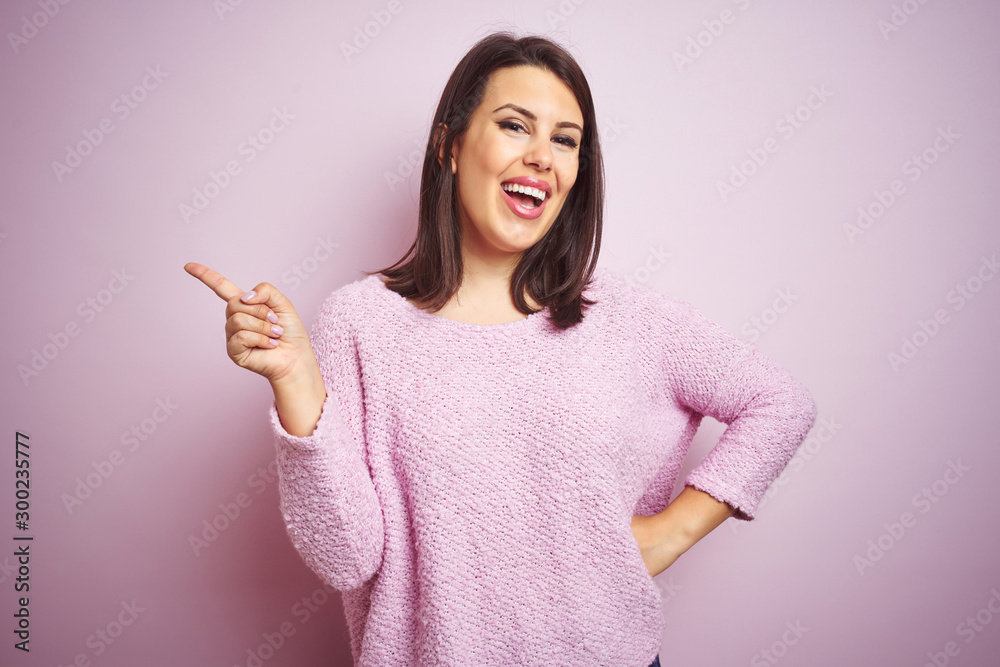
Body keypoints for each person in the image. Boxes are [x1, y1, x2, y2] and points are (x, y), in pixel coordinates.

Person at [185, 31, 816, 667]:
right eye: (516, 126)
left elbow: (779, 403)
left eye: (565, 140)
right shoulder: (361, 322)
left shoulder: (627, 319)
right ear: (450, 146)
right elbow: (346, 557)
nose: (543, 156)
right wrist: (295, 381)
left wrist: (668, 535)